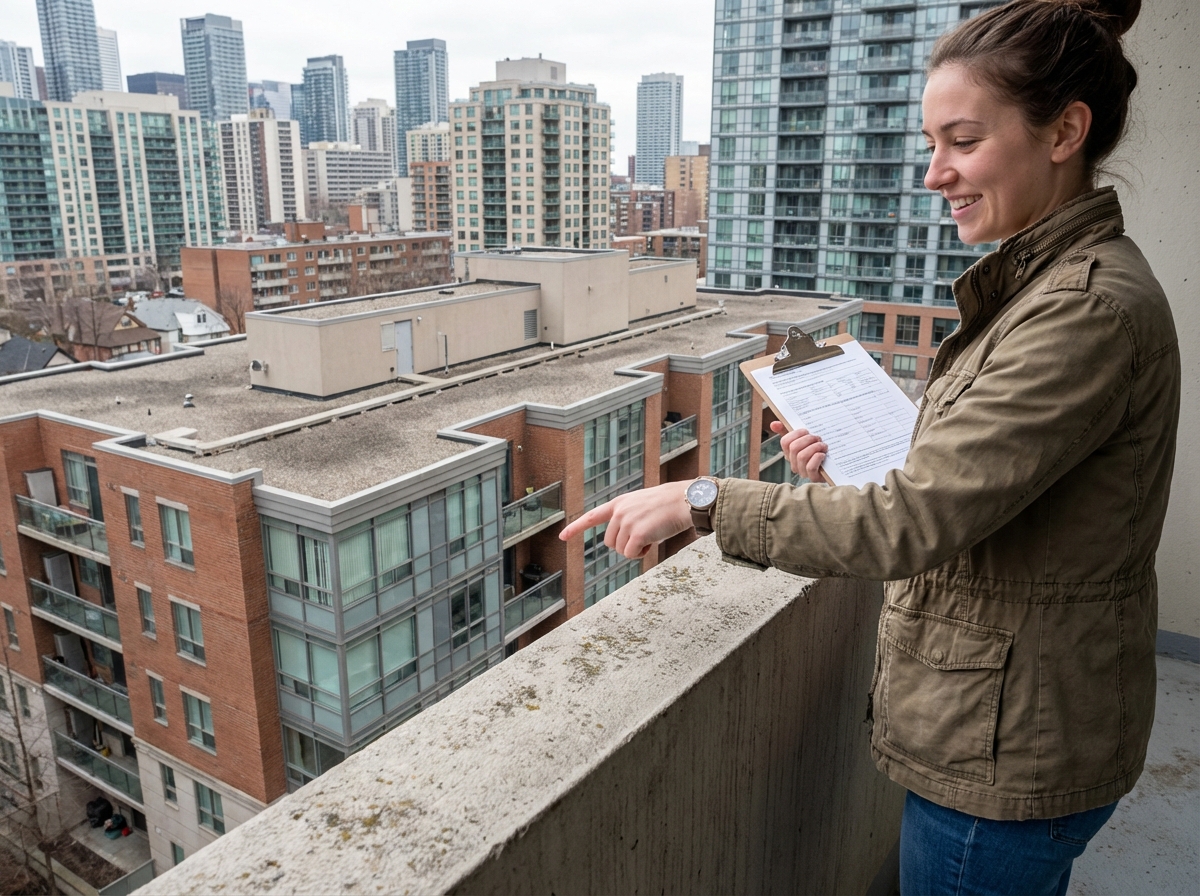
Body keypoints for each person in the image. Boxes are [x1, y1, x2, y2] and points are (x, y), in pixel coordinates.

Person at [560, 1, 1180, 893]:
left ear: (1065, 132)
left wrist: (702, 500)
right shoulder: (1047, 288)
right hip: (1014, 723)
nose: (935, 173)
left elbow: (912, 522)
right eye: (932, 143)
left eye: (963, 141)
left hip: (1010, 751)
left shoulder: (1080, 309)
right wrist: (855, 468)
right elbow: (986, 489)